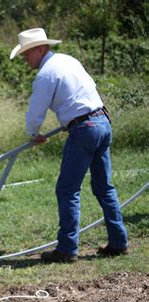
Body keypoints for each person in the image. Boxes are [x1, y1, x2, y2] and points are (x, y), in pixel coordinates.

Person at [10, 28, 128, 263]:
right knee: (104, 187)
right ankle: (119, 242)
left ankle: (66, 249)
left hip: (84, 129)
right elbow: (87, 88)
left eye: (27, 54)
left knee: (67, 189)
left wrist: (34, 133)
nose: (26, 59)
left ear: (40, 49)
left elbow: (36, 111)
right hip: (102, 121)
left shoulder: (46, 74)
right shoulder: (68, 61)